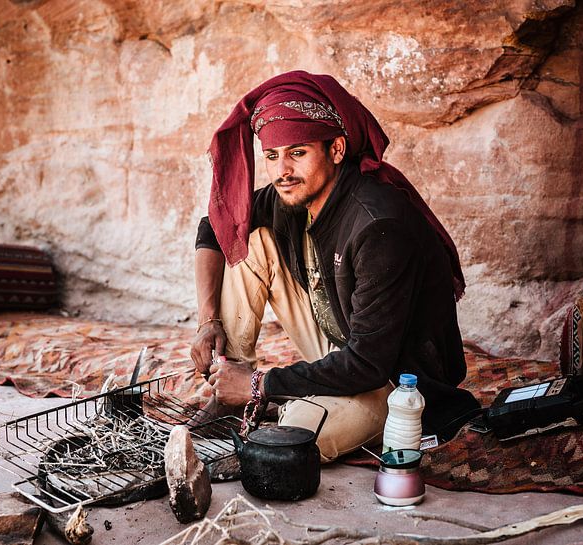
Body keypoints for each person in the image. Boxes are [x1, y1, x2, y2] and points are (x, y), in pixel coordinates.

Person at [190, 70, 479, 462]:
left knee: (294, 439)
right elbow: (216, 226)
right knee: (249, 239)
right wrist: (209, 320)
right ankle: (233, 391)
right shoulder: (291, 195)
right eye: (272, 156)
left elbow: (367, 363)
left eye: (298, 152)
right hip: (338, 340)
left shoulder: (379, 226)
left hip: (392, 380)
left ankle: (255, 393)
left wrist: (263, 384)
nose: (282, 171)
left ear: (337, 149)